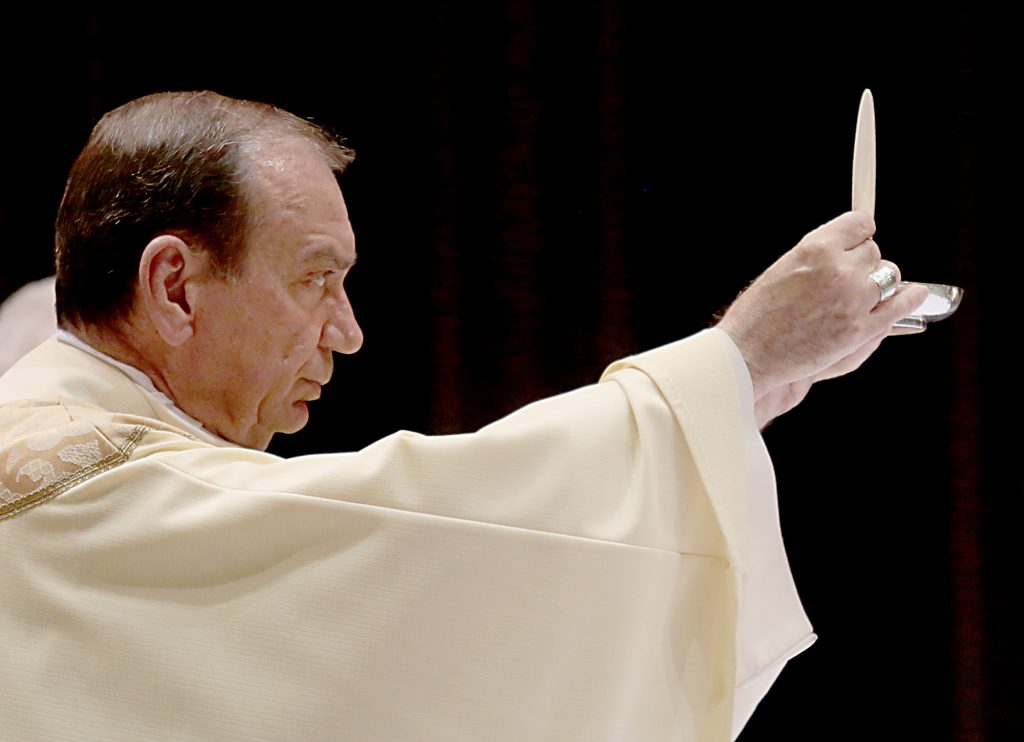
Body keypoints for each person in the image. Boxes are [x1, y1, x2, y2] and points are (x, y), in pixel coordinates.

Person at [0, 91, 927, 741]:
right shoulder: (72, 489)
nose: (350, 334)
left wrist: (740, 396)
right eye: (317, 278)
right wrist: (743, 356)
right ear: (175, 286)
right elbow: (430, 543)